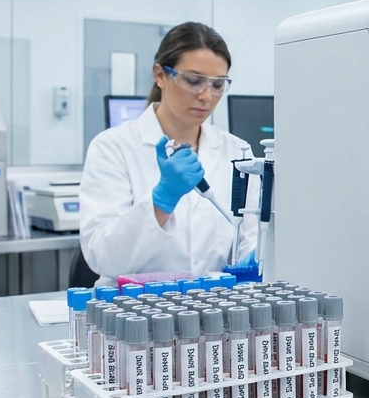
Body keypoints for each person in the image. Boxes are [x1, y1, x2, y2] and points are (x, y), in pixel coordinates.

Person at [80, 22, 257, 281]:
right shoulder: (113, 147)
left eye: (218, 85)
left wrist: (256, 260)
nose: (206, 96)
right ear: (160, 75)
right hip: (134, 311)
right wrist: (161, 202)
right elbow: (103, 258)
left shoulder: (237, 151)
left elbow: (251, 240)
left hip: (213, 309)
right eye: (194, 81)